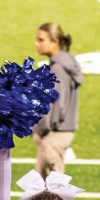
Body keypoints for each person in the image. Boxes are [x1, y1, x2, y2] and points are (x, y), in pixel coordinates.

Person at [31, 23, 82, 177]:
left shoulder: (58, 69)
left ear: (55, 42)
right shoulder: (65, 64)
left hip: (54, 134)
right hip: (60, 132)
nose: (36, 44)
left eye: (41, 40)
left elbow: (55, 105)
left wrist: (40, 129)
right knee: (43, 190)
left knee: (51, 190)